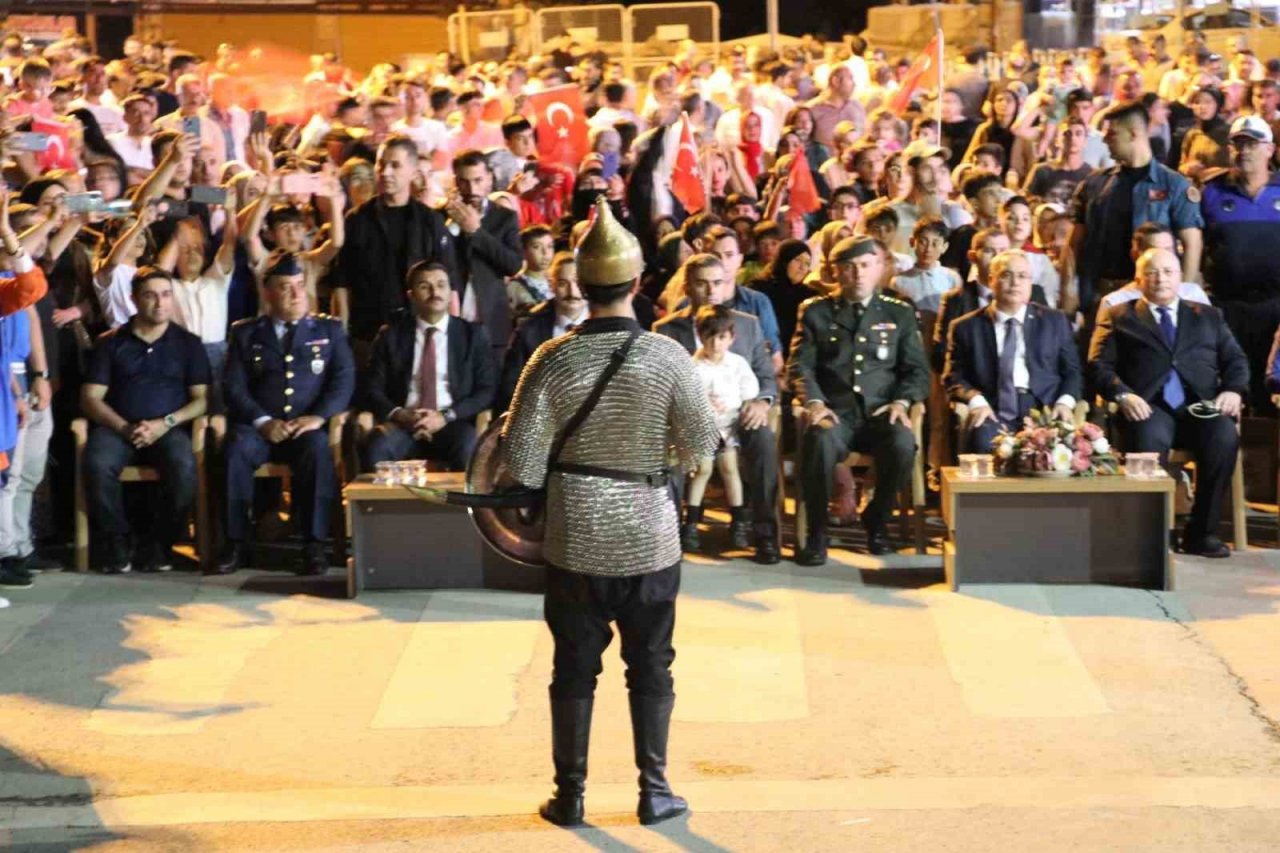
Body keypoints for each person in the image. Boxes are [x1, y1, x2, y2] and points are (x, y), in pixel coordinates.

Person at [501, 199, 718, 828]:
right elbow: (702, 445)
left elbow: (524, 465)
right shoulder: (668, 356)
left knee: (574, 664)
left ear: (581, 283)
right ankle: (655, 790)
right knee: (651, 662)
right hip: (650, 531)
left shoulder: (551, 358)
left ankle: (570, 795)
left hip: (575, 535)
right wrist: (659, 459)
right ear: (638, 281)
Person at [1089, 247, 1249, 559]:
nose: (1160, 278)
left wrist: (1234, 390)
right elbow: (1098, 365)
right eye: (1151, 271)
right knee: (1148, 439)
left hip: (1199, 405)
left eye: (1168, 271)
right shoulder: (1120, 315)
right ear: (1138, 279)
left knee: (1223, 436)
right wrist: (1123, 394)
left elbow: (1236, 360)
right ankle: (1152, 536)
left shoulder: (1208, 315)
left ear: (1180, 277)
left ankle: (1202, 533)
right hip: (1148, 405)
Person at [789, 235, 928, 563]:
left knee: (903, 444)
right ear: (835, 272)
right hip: (836, 412)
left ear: (880, 268)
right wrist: (814, 403)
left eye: (865, 265)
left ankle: (877, 520)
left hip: (882, 412)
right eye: (849, 267)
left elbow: (917, 371)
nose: (858, 274)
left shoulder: (899, 313)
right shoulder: (816, 312)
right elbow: (801, 366)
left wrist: (902, 402)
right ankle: (817, 533)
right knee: (819, 440)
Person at [217, 253, 355, 575]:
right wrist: (263, 422)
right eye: (285, 287)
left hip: (307, 427)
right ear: (267, 293)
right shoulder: (246, 332)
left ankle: (314, 544)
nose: (296, 294)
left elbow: (343, 379)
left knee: (319, 450)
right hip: (260, 427)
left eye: (299, 286)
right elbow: (233, 386)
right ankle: (235, 543)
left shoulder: (328, 330)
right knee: (235, 449)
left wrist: (319, 417)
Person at [80, 267, 210, 574]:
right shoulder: (111, 342)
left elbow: (202, 400)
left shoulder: (188, 343)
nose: (160, 303)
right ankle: (116, 543)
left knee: (183, 467)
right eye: (151, 296)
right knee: (97, 463)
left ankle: (159, 545)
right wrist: (124, 427)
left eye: (166, 295)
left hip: (168, 427)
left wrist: (164, 423)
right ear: (134, 299)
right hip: (117, 427)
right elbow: (90, 398)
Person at [654, 253, 781, 564]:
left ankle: (765, 536)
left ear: (728, 285)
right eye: (702, 284)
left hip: (738, 415)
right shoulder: (666, 330)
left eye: (718, 283)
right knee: (667, 446)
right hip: (687, 419)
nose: (711, 291)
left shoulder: (747, 326)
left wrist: (760, 401)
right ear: (687, 287)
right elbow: (659, 385)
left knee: (764, 443)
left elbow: (766, 377)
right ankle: (672, 535)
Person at [1069, 101, 1204, 315]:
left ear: (1133, 134)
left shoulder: (1174, 185)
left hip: (1152, 299)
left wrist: (1180, 296)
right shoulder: (1094, 184)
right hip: (1100, 294)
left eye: (1111, 134)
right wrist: (1070, 290)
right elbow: (1075, 243)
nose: (1104, 140)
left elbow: (1192, 244)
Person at [944, 250, 1082, 453]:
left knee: (1056, 452)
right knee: (983, 442)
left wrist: (1064, 402)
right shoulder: (966, 327)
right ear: (991, 280)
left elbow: (1072, 372)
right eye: (1007, 275)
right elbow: (954, 377)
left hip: (1044, 408)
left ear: (1030, 283)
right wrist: (976, 401)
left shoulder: (1055, 321)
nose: (1015, 282)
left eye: (1022, 276)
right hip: (992, 407)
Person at [363, 261, 497, 472]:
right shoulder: (391, 336)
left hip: (452, 422)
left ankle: (467, 506)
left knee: (467, 445)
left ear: (451, 292)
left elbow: (486, 390)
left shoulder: (472, 335)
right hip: (404, 423)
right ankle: (383, 507)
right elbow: (372, 388)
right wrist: (399, 414)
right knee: (376, 445)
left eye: (441, 285)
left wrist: (445, 416)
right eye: (425, 286)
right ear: (411, 295)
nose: (435, 292)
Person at [335, 135, 458, 362]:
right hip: (367, 331)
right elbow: (342, 282)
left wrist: (453, 335)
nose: (385, 172)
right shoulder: (357, 219)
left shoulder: (430, 221)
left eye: (395, 165)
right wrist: (342, 336)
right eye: (381, 164)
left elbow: (449, 282)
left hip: (419, 331)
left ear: (413, 171)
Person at [1199, 116, 1280, 411]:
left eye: (1252, 144)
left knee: (1270, 392)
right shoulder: (1210, 192)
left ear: (1269, 149)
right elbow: (1197, 247)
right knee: (1228, 389)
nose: (1243, 150)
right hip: (1227, 308)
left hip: (1275, 307)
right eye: (1238, 144)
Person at [682, 304, 760, 553]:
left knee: (729, 468)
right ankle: (691, 523)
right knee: (702, 469)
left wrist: (737, 404)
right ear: (700, 336)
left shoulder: (736, 364)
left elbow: (749, 390)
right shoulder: (692, 365)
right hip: (703, 427)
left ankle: (737, 522)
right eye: (710, 337)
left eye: (722, 337)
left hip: (728, 427)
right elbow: (686, 395)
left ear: (731, 337)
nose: (716, 344)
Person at [447, 149, 522, 363]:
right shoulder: (441, 217)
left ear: (489, 178)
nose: (472, 189)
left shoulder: (505, 217)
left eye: (478, 180)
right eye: (465, 181)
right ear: (456, 182)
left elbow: (513, 265)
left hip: (491, 319)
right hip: (453, 316)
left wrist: (476, 233)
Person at [499, 252, 585, 412]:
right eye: (562, 283)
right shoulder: (529, 329)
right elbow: (510, 387)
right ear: (551, 285)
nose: (572, 291)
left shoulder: (606, 323)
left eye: (578, 282)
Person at [1099, 223, 1210, 311]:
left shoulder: (1193, 295)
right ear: (1135, 254)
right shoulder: (1114, 304)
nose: (1162, 255)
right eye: (1154, 249)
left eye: (1168, 249)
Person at [890, 217, 962, 315]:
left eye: (935, 244)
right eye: (923, 242)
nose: (928, 249)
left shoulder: (951, 278)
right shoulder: (899, 281)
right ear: (912, 242)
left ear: (944, 247)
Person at [506, 224, 556, 317]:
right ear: (523, 251)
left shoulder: (558, 281)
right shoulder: (514, 287)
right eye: (536, 247)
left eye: (550, 246)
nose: (545, 253)